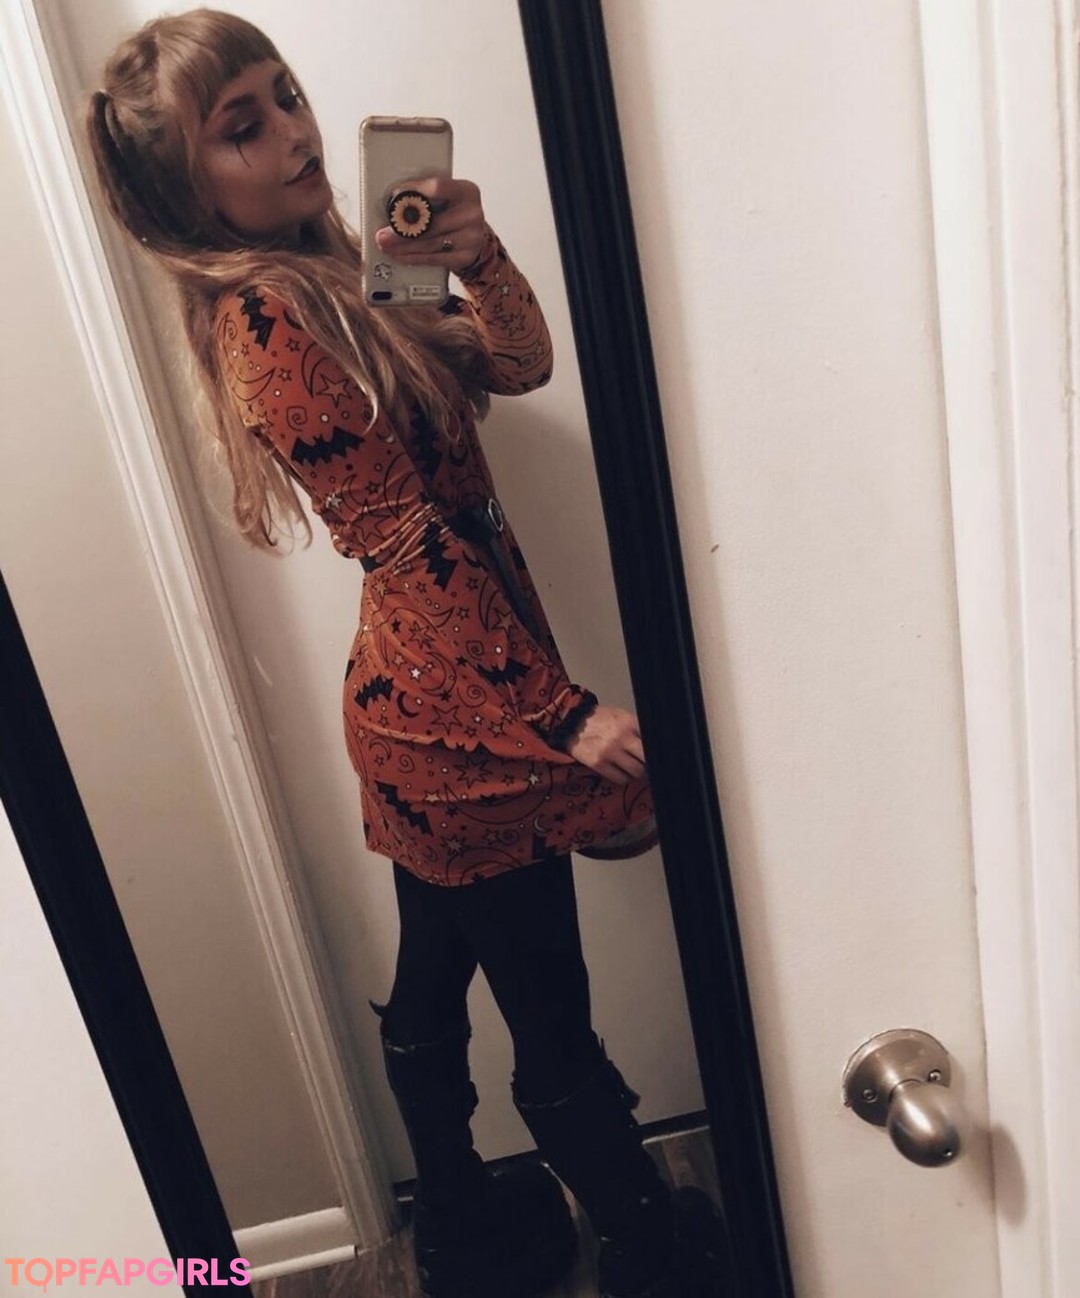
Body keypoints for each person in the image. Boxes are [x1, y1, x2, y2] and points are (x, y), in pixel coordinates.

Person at [86, 10, 725, 1297]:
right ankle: (647, 1242)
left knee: (436, 974)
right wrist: (565, 712)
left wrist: (475, 255)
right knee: (549, 1003)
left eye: (286, 94)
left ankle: (461, 1222)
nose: (296, 130)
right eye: (244, 125)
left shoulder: (346, 266)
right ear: (188, 192)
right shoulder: (269, 322)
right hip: (458, 727)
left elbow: (514, 368)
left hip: (422, 704)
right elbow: (405, 542)